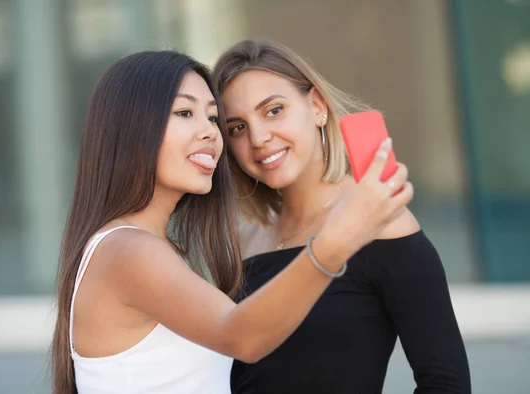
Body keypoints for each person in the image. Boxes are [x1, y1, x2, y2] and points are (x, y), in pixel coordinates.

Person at [50, 50, 412, 394]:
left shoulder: (146, 249)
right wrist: (338, 240)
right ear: (130, 128)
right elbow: (243, 336)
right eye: (184, 113)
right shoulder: (128, 250)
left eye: (212, 118)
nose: (210, 133)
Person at [212, 38, 471, 393]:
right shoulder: (244, 240)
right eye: (237, 128)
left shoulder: (382, 224)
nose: (258, 138)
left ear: (317, 105)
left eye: (273, 110)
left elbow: (446, 383)